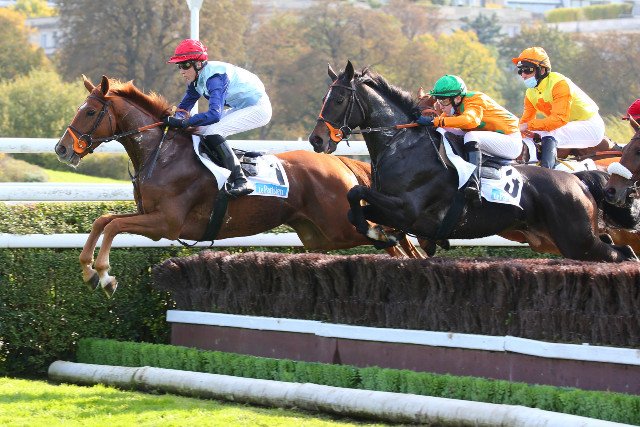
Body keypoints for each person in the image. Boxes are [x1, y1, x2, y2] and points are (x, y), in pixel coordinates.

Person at [164, 39, 272, 197]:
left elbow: (214, 115)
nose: (182, 71)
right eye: (179, 66)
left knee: (213, 131)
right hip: (242, 107)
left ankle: (241, 180)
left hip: (259, 108)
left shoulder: (215, 79)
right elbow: (183, 108)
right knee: (198, 130)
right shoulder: (196, 81)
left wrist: (184, 122)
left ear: (198, 64)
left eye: (185, 65)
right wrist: (169, 120)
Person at [417, 74, 521, 203]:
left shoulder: (475, 100)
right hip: (494, 139)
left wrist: (435, 121)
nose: (441, 106)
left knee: (471, 136)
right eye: (439, 100)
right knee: (443, 129)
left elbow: (470, 120)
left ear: (457, 98)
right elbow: (442, 123)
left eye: (444, 101)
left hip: (510, 141)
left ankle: (474, 184)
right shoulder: (455, 107)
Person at [512, 46, 604, 169]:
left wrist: (527, 126)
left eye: (527, 70)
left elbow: (559, 120)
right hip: (566, 126)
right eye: (520, 70)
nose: (523, 75)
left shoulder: (560, 84)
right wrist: (514, 130)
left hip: (590, 126)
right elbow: (526, 122)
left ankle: (546, 171)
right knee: (526, 134)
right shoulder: (530, 92)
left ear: (542, 70)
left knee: (550, 132)